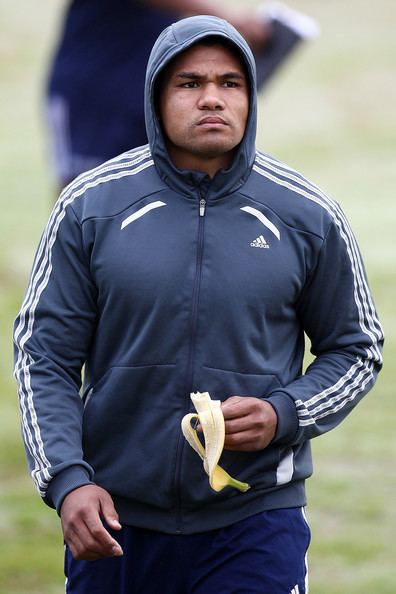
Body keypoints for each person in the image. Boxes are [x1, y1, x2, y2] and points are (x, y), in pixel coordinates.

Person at [14, 15, 383, 594]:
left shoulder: (307, 215)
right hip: (114, 518)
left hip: (256, 519)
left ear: (251, 96)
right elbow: (44, 359)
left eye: (230, 83)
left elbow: (357, 348)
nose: (212, 98)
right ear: (156, 96)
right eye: (189, 83)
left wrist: (285, 412)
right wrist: (67, 479)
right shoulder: (91, 207)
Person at [46, 0, 319, 188]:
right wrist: (227, 21)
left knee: (157, 189)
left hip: (152, 89)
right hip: (94, 89)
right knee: (83, 191)